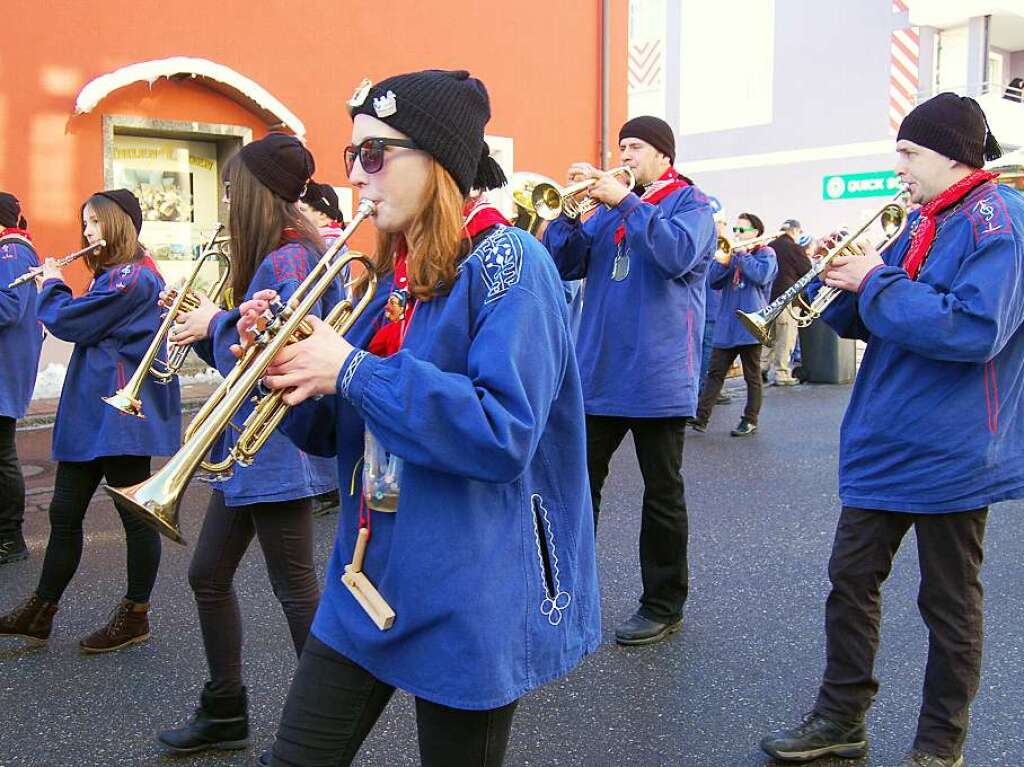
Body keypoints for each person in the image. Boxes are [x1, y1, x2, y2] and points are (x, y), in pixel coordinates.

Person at [238, 69, 600, 767]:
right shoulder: (391, 280)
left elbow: (503, 433)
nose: (357, 179)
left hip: (471, 584)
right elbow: (335, 433)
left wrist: (350, 368)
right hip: (368, 567)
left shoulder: (511, 263)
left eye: (373, 155)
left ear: (435, 160)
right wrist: (282, 366)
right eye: (353, 158)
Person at [760, 93, 1022, 767]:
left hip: (953, 446)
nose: (898, 166)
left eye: (908, 153)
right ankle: (841, 717)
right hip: (888, 439)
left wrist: (874, 279)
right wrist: (841, 282)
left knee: (949, 602)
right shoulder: (923, 218)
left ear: (952, 153)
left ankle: (939, 743)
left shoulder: (1000, 219)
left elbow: (972, 328)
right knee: (850, 579)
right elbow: (875, 317)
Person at [153, 133, 339, 755]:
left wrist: (213, 323)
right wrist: (209, 321)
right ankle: (226, 711)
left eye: (233, 187)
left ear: (257, 193)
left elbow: (272, 353)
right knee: (208, 575)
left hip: (277, 448)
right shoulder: (276, 254)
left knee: (296, 590)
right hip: (254, 452)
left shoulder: (287, 258)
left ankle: (320, 734)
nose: (226, 198)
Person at [543, 115, 715, 645]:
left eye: (636, 146)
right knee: (575, 486)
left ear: (664, 155)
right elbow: (564, 265)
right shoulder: (610, 208)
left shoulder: (692, 204)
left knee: (662, 493)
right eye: (621, 146)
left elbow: (676, 256)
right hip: (598, 372)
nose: (626, 154)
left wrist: (623, 201)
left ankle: (662, 604)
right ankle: (564, 590)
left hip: (658, 376)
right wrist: (568, 219)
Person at [0, 189, 181, 651]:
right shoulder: (119, 274)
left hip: (118, 413)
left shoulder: (133, 278)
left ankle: (135, 614)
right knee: (64, 513)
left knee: (134, 517)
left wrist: (52, 283)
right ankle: (41, 610)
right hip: (95, 409)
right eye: (85, 224)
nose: (86, 233)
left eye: (94, 223)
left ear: (117, 223)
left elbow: (71, 321)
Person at [691, 213, 777, 436]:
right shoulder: (732, 256)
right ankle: (701, 417)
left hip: (751, 323)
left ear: (755, 233)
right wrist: (725, 262)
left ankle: (750, 419)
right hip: (727, 324)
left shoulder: (766, 253)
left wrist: (740, 255)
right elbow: (713, 281)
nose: (736, 235)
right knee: (715, 372)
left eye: (742, 231)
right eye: (735, 230)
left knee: (752, 375)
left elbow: (761, 276)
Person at [0, 193, 44, 565]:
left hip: (3, 369)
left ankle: (10, 538)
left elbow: (9, 308)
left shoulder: (11, 252)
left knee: (2, 456)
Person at [297, 181, 345, 517]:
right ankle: (327, 487)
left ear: (321, 212)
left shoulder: (325, 244)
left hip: (324, 328)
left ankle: (326, 487)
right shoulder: (324, 242)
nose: (300, 216)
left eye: (304, 211)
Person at [764, 218, 811, 386]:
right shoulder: (794, 248)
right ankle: (782, 373)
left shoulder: (770, 246)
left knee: (768, 337)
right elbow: (807, 272)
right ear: (795, 231)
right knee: (786, 337)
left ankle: (761, 368)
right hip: (787, 300)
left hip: (769, 298)